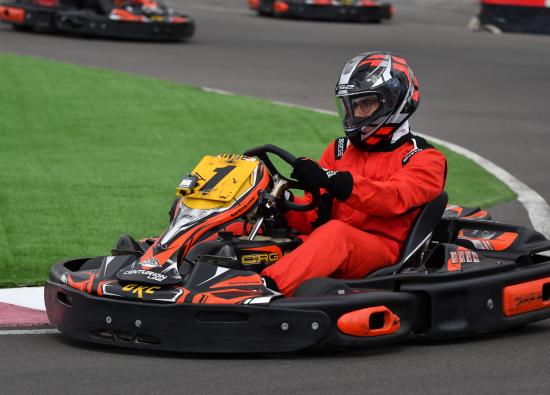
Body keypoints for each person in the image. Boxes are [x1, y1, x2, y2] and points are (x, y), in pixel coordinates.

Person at [261, 51, 447, 295]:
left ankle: (263, 291)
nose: (356, 114)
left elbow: (392, 198)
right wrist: (281, 201)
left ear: (393, 102)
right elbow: (314, 214)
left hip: (382, 252)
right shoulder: (339, 151)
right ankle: (202, 271)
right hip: (330, 244)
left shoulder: (424, 158)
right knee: (253, 221)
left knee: (336, 234)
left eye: (366, 104)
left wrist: (334, 180)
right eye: (352, 105)